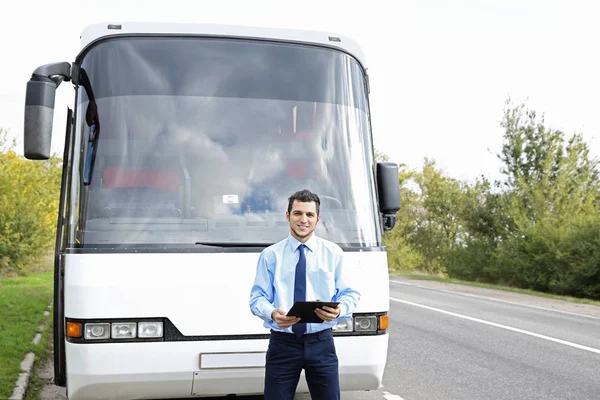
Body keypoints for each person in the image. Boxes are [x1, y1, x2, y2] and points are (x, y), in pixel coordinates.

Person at [249, 189, 360, 400]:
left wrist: (338, 312)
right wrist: (272, 313)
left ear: (318, 219)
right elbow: (257, 298)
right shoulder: (270, 255)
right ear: (287, 216)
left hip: (321, 343)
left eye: (309, 215)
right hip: (283, 345)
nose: (303, 220)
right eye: (298, 213)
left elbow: (349, 294)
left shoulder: (333, 253)